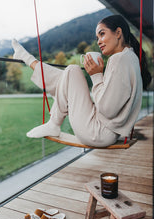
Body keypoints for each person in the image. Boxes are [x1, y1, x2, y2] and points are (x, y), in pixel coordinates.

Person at [11, 15, 151, 147]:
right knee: (68, 76)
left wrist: (96, 76)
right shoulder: (129, 57)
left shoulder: (120, 59)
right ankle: (26, 58)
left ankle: (54, 123)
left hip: (99, 132)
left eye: (102, 34)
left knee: (72, 71)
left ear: (118, 33)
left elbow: (107, 109)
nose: (99, 41)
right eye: (97, 37)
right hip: (107, 130)